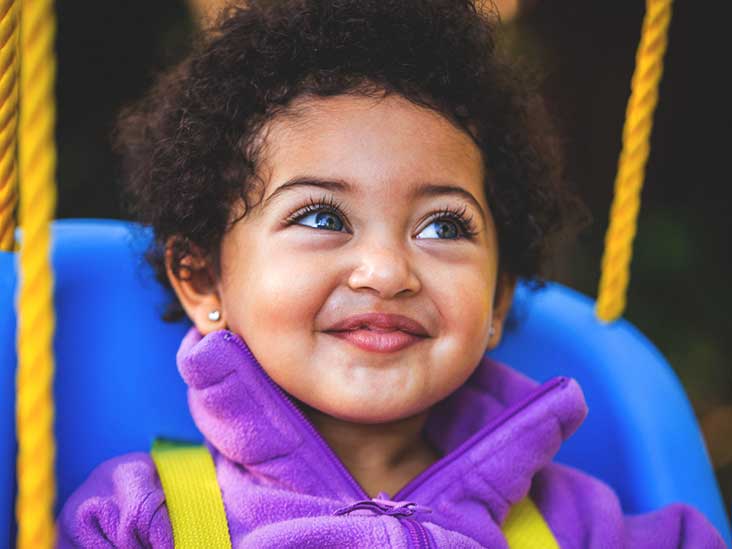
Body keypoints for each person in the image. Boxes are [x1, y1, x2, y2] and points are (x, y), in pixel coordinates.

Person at [57, 1, 726, 547]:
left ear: (497, 300)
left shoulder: (581, 527)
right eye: (321, 216)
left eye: (444, 226)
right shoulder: (137, 520)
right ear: (202, 278)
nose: (386, 271)